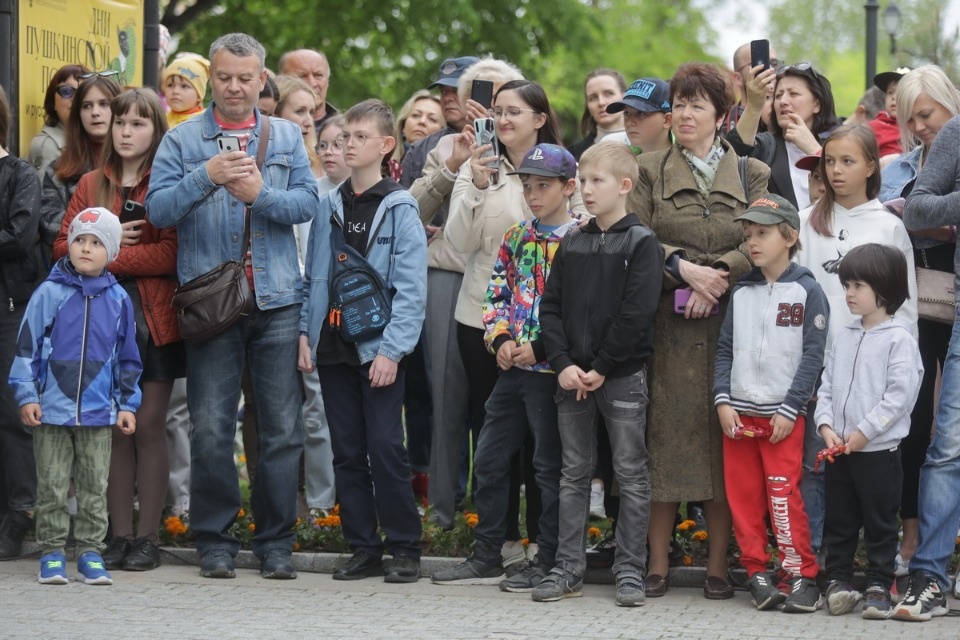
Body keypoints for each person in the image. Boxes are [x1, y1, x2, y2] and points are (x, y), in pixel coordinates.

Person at [146, 32, 318, 580]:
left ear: (262, 78)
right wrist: (207, 176)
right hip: (212, 305)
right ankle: (214, 540)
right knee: (211, 426)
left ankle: (275, 542)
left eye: (246, 77)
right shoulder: (181, 139)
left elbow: (306, 204)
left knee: (282, 428)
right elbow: (158, 210)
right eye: (225, 77)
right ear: (212, 77)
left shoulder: (286, 137)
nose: (236, 86)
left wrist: (258, 195)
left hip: (276, 300)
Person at [630, 62, 770, 600]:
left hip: (733, 326)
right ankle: (657, 564)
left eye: (696, 106)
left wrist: (721, 275)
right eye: (678, 105)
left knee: (723, 444)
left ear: (721, 115)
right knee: (664, 443)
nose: (684, 114)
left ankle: (717, 566)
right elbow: (637, 236)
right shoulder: (647, 168)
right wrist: (684, 269)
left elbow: (772, 231)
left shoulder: (752, 170)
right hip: (667, 325)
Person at [447, 79, 585, 566]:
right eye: (527, 185)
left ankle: (545, 556)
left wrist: (546, 347)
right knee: (489, 451)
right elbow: (489, 282)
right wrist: (501, 336)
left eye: (543, 186)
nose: (532, 194)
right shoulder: (510, 225)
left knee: (546, 462)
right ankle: (491, 548)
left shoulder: (578, 223)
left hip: (549, 362)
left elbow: (582, 300)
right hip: (501, 351)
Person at [52, 88, 181, 572]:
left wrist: (110, 254)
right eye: (121, 122)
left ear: (156, 130)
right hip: (95, 321)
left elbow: (171, 253)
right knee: (113, 429)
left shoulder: (165, 183)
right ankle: (118, 536)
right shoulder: (89, 183)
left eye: (138, 123)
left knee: (146, 424)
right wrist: (96, 245)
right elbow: (60, 246)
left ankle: (148, 537)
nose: (126, 131)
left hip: (151, 320)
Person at [298, 99, 427, 583]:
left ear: (385, 145)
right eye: (343, 137)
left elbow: (411, 288)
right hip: (332, 346)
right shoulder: (328, 203)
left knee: (386, 447)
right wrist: (305, 336)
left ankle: (405, 547)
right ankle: (363, 548)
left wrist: (392, 351)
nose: (348, 145)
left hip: (378, 351)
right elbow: (314, 278)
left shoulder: (399, 207)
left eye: (358, 137)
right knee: (346, 450)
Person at [532, 141, 663, 606]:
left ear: (624, 186)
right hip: (572, 379)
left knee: (630, 472)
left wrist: (602, 367)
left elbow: (637, 314)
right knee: (573, 473)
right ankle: (567, 568)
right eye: (582, 182)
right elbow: (550, 308)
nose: (585, 190)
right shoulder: (573, 240)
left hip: (620, 375)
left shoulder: (642, 242)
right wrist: (565, 364)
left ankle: (630, 569)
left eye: (596, 182)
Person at [796, 125, 918, 556]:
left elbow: (904, 311)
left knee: (868, 479)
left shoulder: (888, 226)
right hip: (813, 372)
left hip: (868, 376)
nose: (836, 171)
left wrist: (894, 375)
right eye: (829, 162)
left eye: (847, 161)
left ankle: (873, 566)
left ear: (871, 165)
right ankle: (815, 563)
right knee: (814, 468)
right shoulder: (806, 223)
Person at [9, 208, 141, 585]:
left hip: (99, 414)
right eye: (79, 239)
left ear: (111, 252)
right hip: (50, 410)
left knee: (93, 486)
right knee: (50, 484)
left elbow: (128, 358)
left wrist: (127, 404)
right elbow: (26, 348)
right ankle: (51, 552)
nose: (85, 248)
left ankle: (89, 552)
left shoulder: (118, 301)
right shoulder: (48, 293)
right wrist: (26, 395)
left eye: (96, 242)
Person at [714, 194, 828, 613]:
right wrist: (722, 402)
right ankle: (757, 571)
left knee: (783, 495)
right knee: (742, 496)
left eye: (762, 233)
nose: (753, 243)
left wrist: (790, 408)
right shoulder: (741, 292)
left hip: (783, 418)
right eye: (748, 235)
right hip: (738, 416)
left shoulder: (807, 290)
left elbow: (813, 357)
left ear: (790, 236)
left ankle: (801, 574)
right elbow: (725, 350)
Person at [878, 65, 960, 580]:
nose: (920, 127)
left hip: (950, 298)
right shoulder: (902, 164)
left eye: (926, 113)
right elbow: (902, 222)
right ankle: (919, 546)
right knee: (923, 428)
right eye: (911, 120)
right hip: (921, 303)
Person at [816, 243, 923, 619]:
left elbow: (899, 398)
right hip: (840, 451)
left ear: (885, 289)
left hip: (878, 453)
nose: (848, 293)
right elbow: (827, 386)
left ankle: (879, 583)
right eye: (846, 284)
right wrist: (826, 425)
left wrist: (863, 433)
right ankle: (839, 582)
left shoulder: (900, 340)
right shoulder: (843, 336)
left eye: (857, 285)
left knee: (880, 521)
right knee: (840, 521)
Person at [0, 86, 42, 560]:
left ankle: (20, 512)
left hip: (8, 306)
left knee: (10, 411)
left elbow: (19, 234)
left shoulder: (20, 174)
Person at [729, 61, 840, 209]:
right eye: (779, 95)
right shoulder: (767, 145)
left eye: (793, 94)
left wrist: (815, 151)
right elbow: (731, 155)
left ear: (817, 104)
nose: (783, 101)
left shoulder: (839, 144)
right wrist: (754, 105)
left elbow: (852, 190)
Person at [40, 75, 122, 269]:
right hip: (74, 275)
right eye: (87, 106)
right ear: (78, 113)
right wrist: (108, 230)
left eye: (104, 104)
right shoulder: (57, 170)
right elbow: (51, 228)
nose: (95, 112)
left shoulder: (137, 166)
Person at [27, 64, 89, 179]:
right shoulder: (47, 146)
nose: (75, 98)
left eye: (82, 92)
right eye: (66, 91)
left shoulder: (95, 140)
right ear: (53, 102)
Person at [567, 69, 629, 159]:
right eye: (593, 97)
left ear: (624, 96)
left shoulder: (647, 144)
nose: (601, 102)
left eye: (608, 94)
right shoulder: (574, 154)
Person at [722, 41, 780, 136]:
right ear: (738, 78)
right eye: (761, 65)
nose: (770, 70)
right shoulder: (722, 123)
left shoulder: (787, 116)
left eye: (774, 64)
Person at [606, 77, 672, 156]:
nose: (630, 123)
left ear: (667, 120)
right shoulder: (617, 159)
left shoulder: (688, 162)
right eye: (626, 113)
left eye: (641, 113)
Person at [278, 48, 336, 132]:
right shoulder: (264, 129)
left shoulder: (347, 128)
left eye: (318, 75)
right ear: (282, 81)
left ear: (328, 81)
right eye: (302, 76)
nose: (312, 83)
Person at [869, 67, 910, 157]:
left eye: (901, 92)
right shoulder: (874, 127)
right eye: (890, 92)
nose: (894, 97)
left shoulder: (920, 127)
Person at [161, 54, 210, 129]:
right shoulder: (160, 120)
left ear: (199, 95)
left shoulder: (205, 124)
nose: (175, 91)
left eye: (184, 86)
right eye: (170, 85)